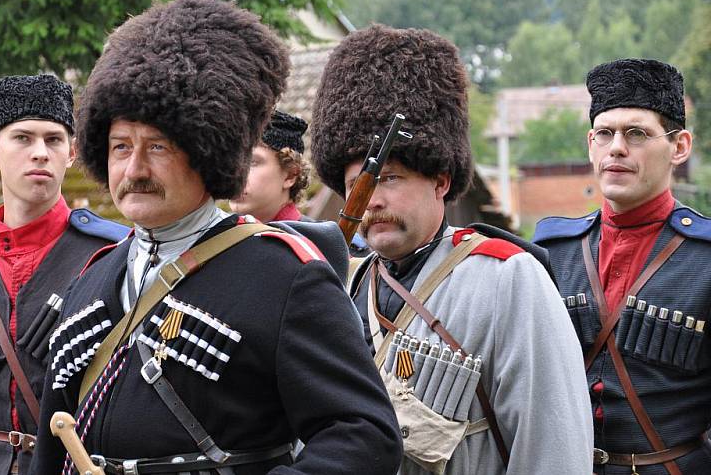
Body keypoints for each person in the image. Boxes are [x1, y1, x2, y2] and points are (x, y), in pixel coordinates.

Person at [30, 0, 402, 475]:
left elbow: (364, 435)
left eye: (157, 147)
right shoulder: (95, 276)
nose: (134, 168)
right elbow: (52, 443)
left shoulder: (283, 276)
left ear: (207, 151)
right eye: (121, 147)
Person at [309, 24, 593, 474]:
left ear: (440, 180)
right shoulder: (350, 284)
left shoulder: (509, 278)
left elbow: (554, 445)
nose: (371, 200)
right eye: (355, 186)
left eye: (389, 178)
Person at [0, 74, 128, 475]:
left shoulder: (113, 254)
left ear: (71, 153)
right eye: (22, 138)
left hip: (77, 462)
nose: (40, 152)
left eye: (53, 140)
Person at [534, 58, 711, 474]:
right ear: (589, 143)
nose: (616, 147)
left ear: (679, 147)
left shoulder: (705, 258)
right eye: (605, 133)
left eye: (636, 133)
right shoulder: (549, 252)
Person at [230, 110, 310, 223]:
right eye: (233, 160)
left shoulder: (316, 239)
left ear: (291, 175)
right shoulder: (214, 236)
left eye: (252, 162)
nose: (235, 173)